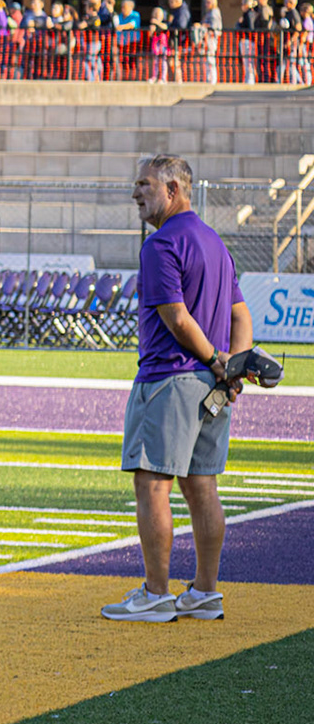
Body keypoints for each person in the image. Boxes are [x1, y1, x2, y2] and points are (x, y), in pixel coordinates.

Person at [106, 156, 250, 623]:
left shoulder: (160, 243)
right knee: (202, 486)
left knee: (152, 482)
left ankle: (154, 594)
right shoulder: (214, 241)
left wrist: (213, 359)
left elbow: (176, 317)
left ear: (172, 189)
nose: (135, 194)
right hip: (213, 384)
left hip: (170, 377)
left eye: (144, 184)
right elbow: (240, 316)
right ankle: (205, 592)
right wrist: (232, 368)